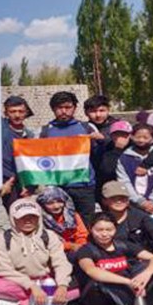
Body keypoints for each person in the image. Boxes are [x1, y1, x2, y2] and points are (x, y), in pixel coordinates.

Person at [76, 212, 153, 305]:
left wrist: (146, 274)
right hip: (98, 296)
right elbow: (92, 271)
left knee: (148, 267)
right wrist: (128, 282)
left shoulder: (123, 245)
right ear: (91, 229)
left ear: (115, 229)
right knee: (104, 278)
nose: (104, 234)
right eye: (99, 230)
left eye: (109, 230)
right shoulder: (85, 250)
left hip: (126, 289)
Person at [0, 198, 79, 305]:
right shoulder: (1, 239)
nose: (28, 221)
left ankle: (21, 303)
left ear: (39, 218)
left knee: (78, 288)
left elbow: (60, 262)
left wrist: (62, 286)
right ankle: (43, 302)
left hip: (46, 282)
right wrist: (32, 286)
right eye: (22, 217)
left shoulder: (49, 236)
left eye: (32, 217)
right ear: (13, 219)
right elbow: (4, 269)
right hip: (18, 282)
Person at [39, 91, 99, 226]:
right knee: (61, 224)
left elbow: (97, 154)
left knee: (87, 223)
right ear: (53, 109)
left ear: (75, 108)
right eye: (59, 108)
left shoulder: (87, 127)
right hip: (59, 186)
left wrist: (100, 139)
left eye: (68, 107)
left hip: (84, 186)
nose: (64, 111)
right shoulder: (46, 131)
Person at [0, 96, 35, 223]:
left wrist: (13, 181)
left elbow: (27, 165)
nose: (17, 115)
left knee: (20, 217)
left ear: (26, 113)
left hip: (14, 181)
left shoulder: (29, 136)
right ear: (6, 113)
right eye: (12, 111)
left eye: (21, 111)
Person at [116, 123, 153, 224]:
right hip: (135, 204)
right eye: (138, 137)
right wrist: (140, 201)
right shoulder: (124, 158)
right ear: (131, 137)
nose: (141, 140)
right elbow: (124, 182)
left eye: (146, 137)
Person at [36, 186, 89, 255]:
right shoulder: (39, 220)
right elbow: (43, 241)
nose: (56, 206)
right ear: (42, 205)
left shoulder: (72, 215)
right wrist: (69, 246)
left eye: (59, 201)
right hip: (51, 251)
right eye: (50, 203)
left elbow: (82, 235)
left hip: (75, 249)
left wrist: (80, 247)